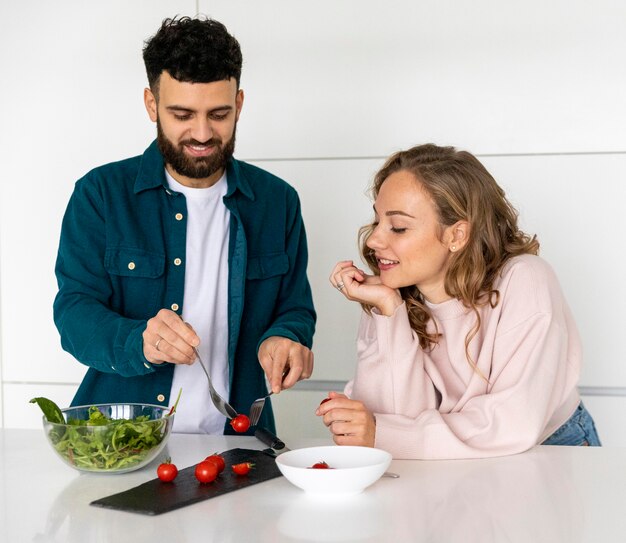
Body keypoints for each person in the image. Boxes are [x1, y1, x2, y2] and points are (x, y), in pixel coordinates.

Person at [53, 16, 316, 434]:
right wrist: (139, 340)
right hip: (120, 442)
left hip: (239, 443)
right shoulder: (100, 194)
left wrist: (285, 337)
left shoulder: (278, 202)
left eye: (219, 114)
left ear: (240, 105)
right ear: (151, 104)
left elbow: (295, 308)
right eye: (182, 114)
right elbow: (73, 313)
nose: (202, 132)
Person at [318, 143, 600, 459]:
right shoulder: (392, 291)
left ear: (456, 235)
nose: (373, 240)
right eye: (378, 221)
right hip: (446, 455)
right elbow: (393, 420)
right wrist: (387, 311)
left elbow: (512, 424)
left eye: (398, 227)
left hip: (547, 448)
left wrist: (382, 433)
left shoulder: (525, 280)